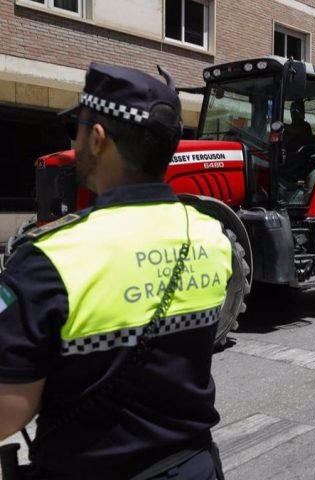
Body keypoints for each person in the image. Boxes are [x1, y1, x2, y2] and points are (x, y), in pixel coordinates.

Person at [0, 63, 232, 479]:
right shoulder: (212, 237)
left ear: (98, 138)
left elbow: (7, 414)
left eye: (76, 127)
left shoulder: (48, 260)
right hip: (194, 468)